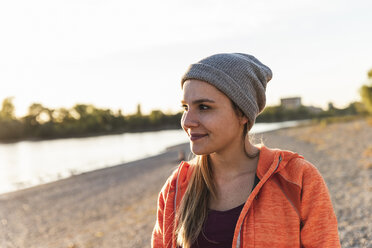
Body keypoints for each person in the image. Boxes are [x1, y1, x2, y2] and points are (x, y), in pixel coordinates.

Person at [152, 53, 340, 248]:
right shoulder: (176, 188)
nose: (187, 121)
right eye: (185, 108)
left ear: (242, 113)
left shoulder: (297, 178)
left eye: (204, 107)